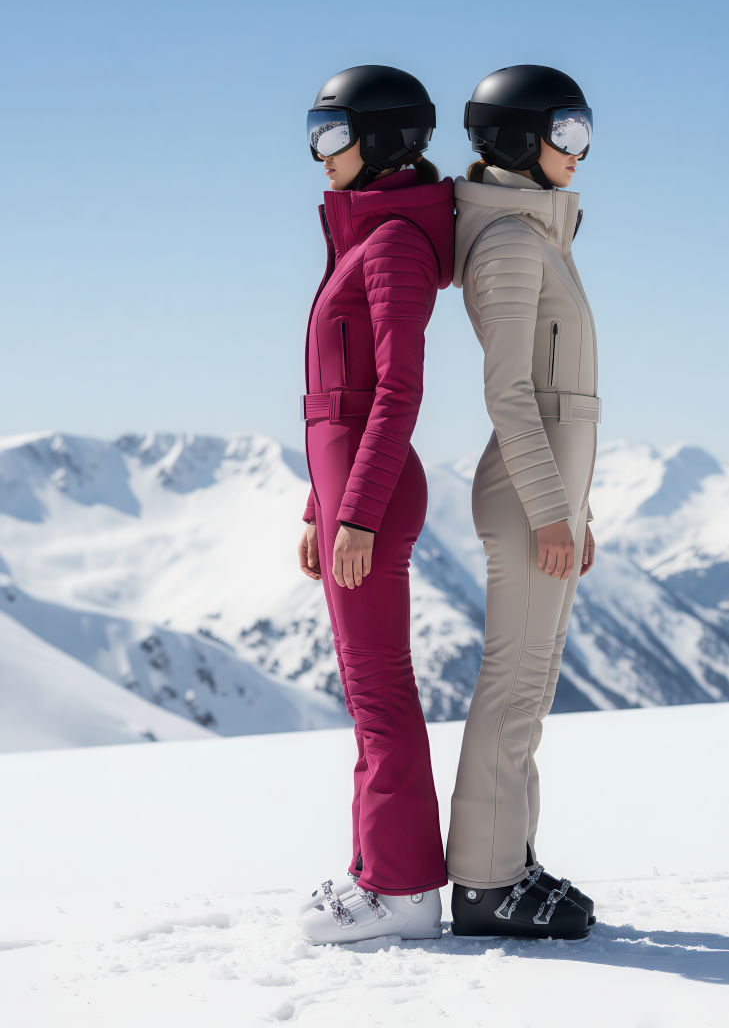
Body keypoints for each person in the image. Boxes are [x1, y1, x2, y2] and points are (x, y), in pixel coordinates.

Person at [294, 65, 454, 944]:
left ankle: (405, 891)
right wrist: (316, 507)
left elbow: (396, 391)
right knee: (368, 695)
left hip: (373, 490)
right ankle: (375, 871)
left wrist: (354, 511)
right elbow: (337, 394)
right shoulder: (363, 237)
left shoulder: (392, 243)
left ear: (384, 138)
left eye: (332, 133)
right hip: (349, 486)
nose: (318, 152)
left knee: (381, 693)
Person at [447, 65, 600, 939]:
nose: (582, 150)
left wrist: (579, 510)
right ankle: (485, 883)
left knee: (531, 689)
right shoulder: (509, 241)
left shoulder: (541, 236)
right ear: (517, 138)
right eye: (567, 131)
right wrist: (549, 509)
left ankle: (513, 858)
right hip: (524, 490)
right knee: (513, 685)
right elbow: (510, 394)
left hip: (549, 490)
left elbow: (560, 400)